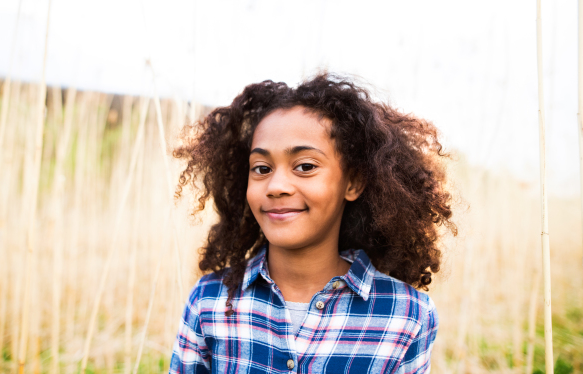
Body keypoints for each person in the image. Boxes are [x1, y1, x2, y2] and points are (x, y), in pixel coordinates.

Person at [169, 73, 456, 374]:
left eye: (305, 166)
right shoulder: (209, 302)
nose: (276, 186)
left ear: (353, 182)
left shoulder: (407, 315)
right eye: (262, 168)